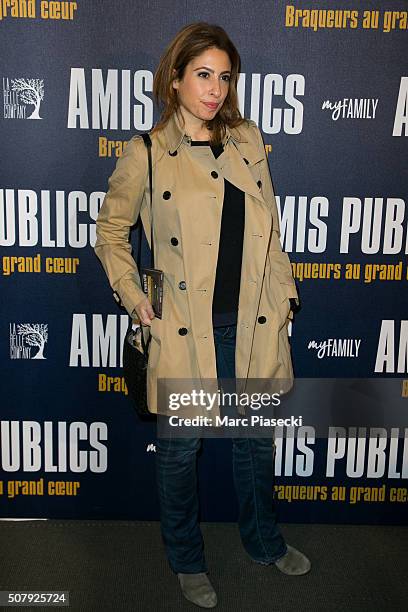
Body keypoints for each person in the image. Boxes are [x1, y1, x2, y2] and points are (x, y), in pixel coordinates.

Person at [94, 22, 311, 609]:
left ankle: (264, 542)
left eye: (224, 77)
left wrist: (284, 296)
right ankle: (187, 561)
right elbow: (111, 232)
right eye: (203, 75)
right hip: (186, 328)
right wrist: (137, 298)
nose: (215, 89)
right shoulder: (147, 152)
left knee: (255, 446)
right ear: (175, 78)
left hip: (250, 325)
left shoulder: (246, 139)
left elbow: (271, 228)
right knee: (181, 454)